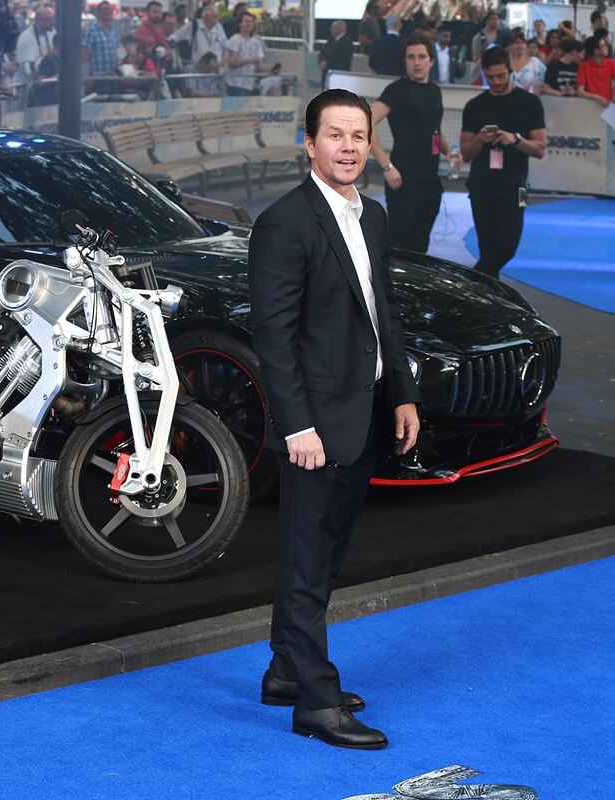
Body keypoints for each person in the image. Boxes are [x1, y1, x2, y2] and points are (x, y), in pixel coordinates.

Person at [248, 88, 421, 751]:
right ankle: (316, 704)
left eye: (360, 136)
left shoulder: (370, 215)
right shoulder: (285, 223)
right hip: (314, 426)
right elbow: (274, 335)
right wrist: (297, 428)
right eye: (336, 135)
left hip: (363, 413)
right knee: (305, 560)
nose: (350, 147)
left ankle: (287, 671)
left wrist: (401, 392)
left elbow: (384, 314)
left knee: (320, 559)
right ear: (310, 144)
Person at [459, 46, 547, 278]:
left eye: (501, 76)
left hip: (513, 186)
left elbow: (540, 150)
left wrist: (515, 140)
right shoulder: (475, 106)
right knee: (488, 251)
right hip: (482, 186)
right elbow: (466, 152)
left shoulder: (529, 103)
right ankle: (488, 301)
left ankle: (471, 282)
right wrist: (479, 139)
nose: (496, 81)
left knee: (507, 248)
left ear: (510, 71)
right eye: (491, 77)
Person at [370, 32, 458, 253]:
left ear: (431, 61)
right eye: (411, 57)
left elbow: (433, 131)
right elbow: (365, 123)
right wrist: (386, 165)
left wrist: (450, 152)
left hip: (430, 183)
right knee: (399, 249)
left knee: (420, 248)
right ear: (405, 61)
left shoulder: (434, 91)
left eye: (421, 57)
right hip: (403, 182)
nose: (416, 62)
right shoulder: (397, 90)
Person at [225, 11, 267, 96]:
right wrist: (250, 60)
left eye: (251, 21)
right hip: (236, 84)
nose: (250, 24)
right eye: (247, 21)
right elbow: (231, 62)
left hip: (251, 84)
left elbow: (260, 65)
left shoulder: (256, 42)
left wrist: (265, 69)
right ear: (240, 24)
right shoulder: (235, 39)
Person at [15, 5, 56, 87]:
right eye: (48, 20)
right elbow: (28, 68)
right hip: (27, 84)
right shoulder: (26, 38)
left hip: (47, 81)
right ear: (38, 21)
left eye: (52, 19)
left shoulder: (52, 32)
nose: (52, 22)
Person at [82, 1, 121, 78]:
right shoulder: (91, 31)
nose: (109, 11)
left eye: (110, 9)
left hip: (114, 79)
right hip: (97, 80)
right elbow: (84, 56)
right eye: (105, 9)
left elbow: (119, 54)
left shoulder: (114, 32)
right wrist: (86, 77)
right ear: (98, 13)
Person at [576, 34, 615, 106]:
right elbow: (580, 91)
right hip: (590, 105)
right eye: (603, 46)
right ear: (596, 51)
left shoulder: (610, 63)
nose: (607, 47)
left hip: (608, 104)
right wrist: (598, 98)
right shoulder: (584, 66)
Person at [191, 2, 228, 70]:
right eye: (215, 16)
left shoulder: (219, 27)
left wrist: (222, 63)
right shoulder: (194, 25)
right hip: (198, 69)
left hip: (216, 69)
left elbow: (225, 46)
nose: (218, 18)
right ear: (207, 17)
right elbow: (174, 37)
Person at [508, 30, 546, 94]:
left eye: (522, 43)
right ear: (511, 46)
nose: (520, 45)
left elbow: (545, 83)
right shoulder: (505, 63)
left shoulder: (535, 62)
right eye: (517, 43)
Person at [320, 20, 354, 88]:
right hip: (327, 72)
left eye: (334, 27)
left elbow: (341, 57)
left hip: (339, 73)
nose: (331, 29)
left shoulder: (347, 42)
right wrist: (321, 61)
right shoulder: (330, 40)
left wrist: (328, 63)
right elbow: (323, 53)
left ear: (340, 28)